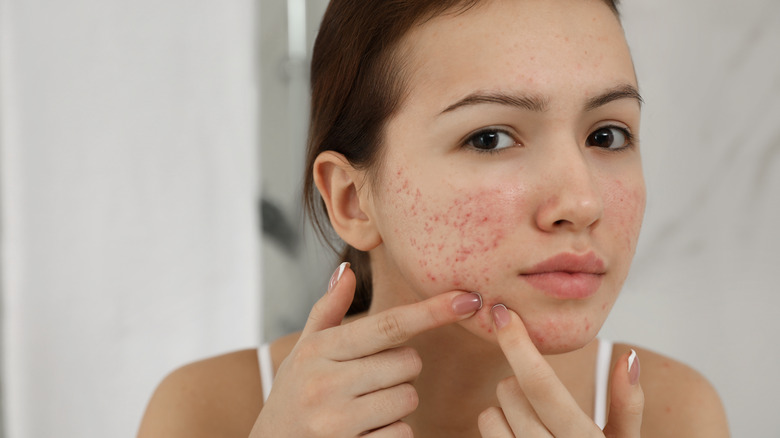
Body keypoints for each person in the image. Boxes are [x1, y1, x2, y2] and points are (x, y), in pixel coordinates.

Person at [137, 0, 730, 436]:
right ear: (352, 199)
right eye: (490, 138)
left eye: (607, 134)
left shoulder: (676, 414)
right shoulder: (208, 413)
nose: (582, 203)